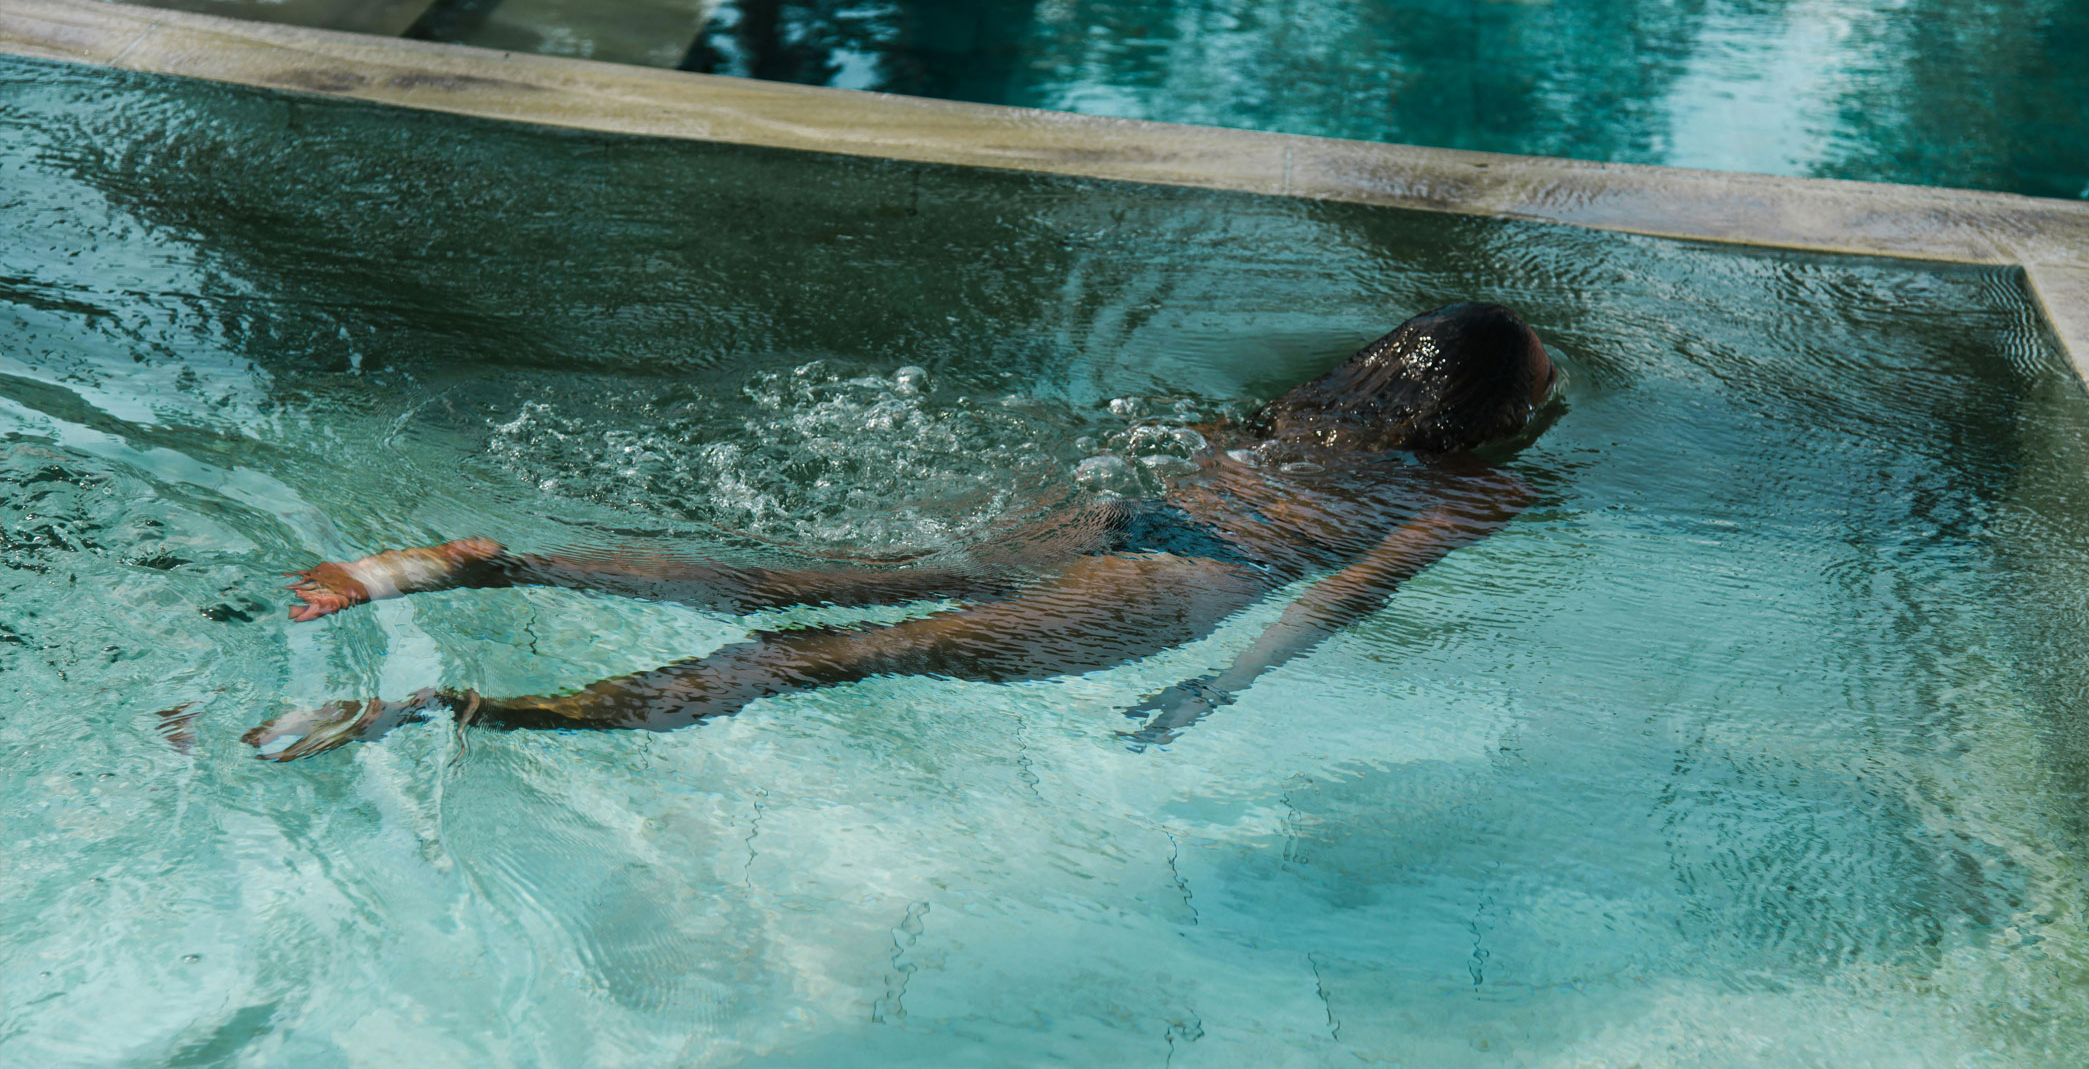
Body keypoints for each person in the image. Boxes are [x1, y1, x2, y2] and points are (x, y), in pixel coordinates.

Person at [246, 303, 1557, 760]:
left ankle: (475, 561)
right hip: (1173, 584)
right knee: (823, 658)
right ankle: (459, 713)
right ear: (1491, 414)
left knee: (773, 585)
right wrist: (1220, 683)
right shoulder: (1471, 492)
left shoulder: (1274, 416)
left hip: (1119, 506)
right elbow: (1345, 596)